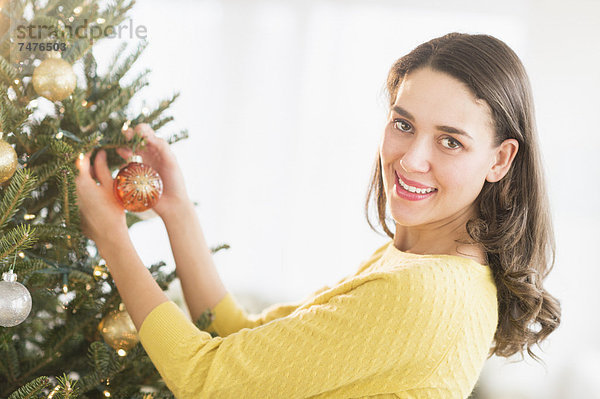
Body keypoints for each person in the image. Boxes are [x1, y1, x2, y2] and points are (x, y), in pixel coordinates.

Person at [74, 32, 561, 398]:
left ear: (500, 160)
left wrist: (112, 238)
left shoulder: (426, 292)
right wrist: (176, 212)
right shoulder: (415, 261)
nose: (412, 159)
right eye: (403, 124)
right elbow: (242, 333)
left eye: (450, 141)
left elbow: (206, 380)